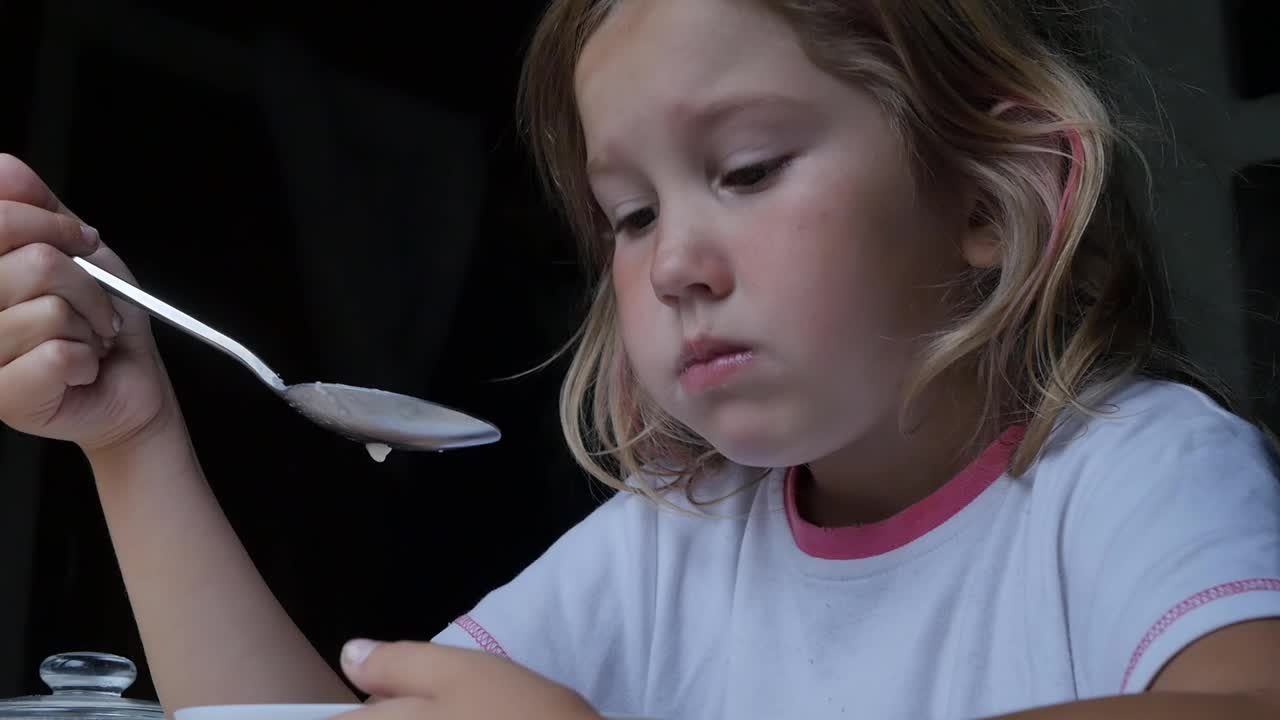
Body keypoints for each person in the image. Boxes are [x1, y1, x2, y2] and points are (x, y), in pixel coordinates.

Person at [0, 0, 1277, 718]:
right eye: (631, 213)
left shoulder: (1134, 467)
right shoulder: (674, 539)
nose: (670, 265)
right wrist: (133, 438)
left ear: (988, 205)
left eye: (744, 169)